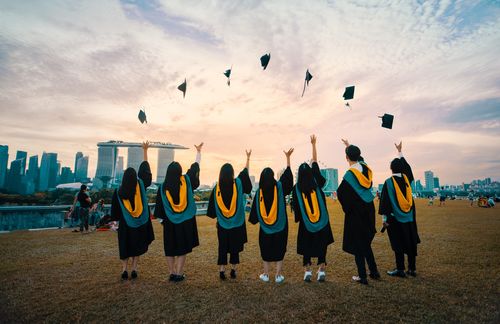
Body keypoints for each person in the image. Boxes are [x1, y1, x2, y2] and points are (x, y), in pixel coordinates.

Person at [154, 142, 203, 282]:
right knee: (182, 247)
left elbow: (159, 208)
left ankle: (171, 272)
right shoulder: (186, 181)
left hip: (169, 222)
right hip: (185, 221)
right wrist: (198, 153)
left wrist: (163, 221)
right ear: (180, 171)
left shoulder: (163, 188)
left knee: (170, 248)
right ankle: (179, 273)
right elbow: (194, 169)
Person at [292, 135, 334, 282]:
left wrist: (299, 216)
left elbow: (295, 207)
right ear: (310, 173)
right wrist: (314, 145)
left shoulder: (296, 189)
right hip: (322, 221)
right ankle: (321, 270)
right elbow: (315, 161)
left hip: (306, 223)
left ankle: (307, 271)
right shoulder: (316, 182)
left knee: (306, 246)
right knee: (322, 244)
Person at [337, 139, 379, 285]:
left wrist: (348, 208)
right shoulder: (366, 169)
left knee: (358, 243)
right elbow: (360, 160)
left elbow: (341, 192)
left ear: (346, 158)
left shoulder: (349, 175)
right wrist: (349, 147)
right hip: (369, 208)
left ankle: (362, 276)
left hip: (356, 212)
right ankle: (374, 271)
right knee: (365, 242)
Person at [110, 142, 154, 280]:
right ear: (135, 178)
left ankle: (124, 269)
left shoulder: (118, 192)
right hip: (140, 224)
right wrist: (145, 151)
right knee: (137, 246)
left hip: (125, 225)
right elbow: (146, 172)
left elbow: (115, 212)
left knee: (125, 246)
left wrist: (115, 223)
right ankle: (134, 268)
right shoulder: (140, 186)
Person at [249, 148, 294, 283]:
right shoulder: (279, 186)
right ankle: (278, 275)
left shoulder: (259, 193)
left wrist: (255, 219)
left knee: (266, 250)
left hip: (265, 229)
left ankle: (266, 274)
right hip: (281, 226)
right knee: (280, 249)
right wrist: (288, 159)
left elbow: (254, 214)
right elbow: (288, 178)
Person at [207, 150, 253, 280]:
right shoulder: (237, 183)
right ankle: (233, 270)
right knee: (234, 247)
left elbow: (212, 210)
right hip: (237, 224)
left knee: (222, 247)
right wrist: (248, 158)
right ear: (232, 173)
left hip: (222, 225)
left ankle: (222, 271)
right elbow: (245, 173)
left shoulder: (217, 188)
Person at [379, 141, 420, 277]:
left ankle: (400, 269)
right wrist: (400, 152)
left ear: (391, 168)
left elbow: (384, 203)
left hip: (394, 218)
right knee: (410, 240)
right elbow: (407, 168)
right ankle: (412, 269)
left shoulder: (388, 182)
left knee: (398, 242)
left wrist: (384, 220)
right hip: (409, 217)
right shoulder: (407, 180)